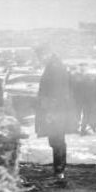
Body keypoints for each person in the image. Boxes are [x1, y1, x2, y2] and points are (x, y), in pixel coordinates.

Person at [35, 55, 77, 183]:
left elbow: (44, 95)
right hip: (55, 114)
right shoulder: (60, 75)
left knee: (57, 141)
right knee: (56, 141)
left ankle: (59, 169)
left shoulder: (53, 76)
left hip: (56, 114)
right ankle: (59, 169)